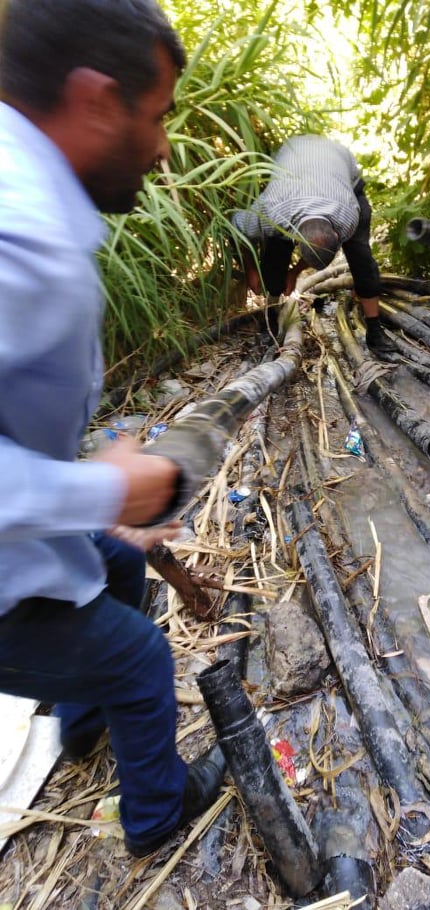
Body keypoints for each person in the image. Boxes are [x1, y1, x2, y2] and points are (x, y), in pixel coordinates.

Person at [0, 0, 227, 858]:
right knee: (139, 660)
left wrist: (94, 491)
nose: (165, 145)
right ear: (97, 99)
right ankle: (155, 821)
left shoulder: (27, 199)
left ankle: (81, 722)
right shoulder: (22, 242)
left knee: (122, 562)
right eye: (158, 115)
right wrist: (107, 486)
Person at [232, 134, 397, 355]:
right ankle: (272, 312)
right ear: (295, 237)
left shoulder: (348, 216)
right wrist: (251, 270)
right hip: (293, 156)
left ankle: (375, 330)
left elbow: (332, 249)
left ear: (337, 233)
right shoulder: (271, 211)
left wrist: (295, 272)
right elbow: (237, 228)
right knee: (273, 258)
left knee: (361, 260)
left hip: (339, 167)